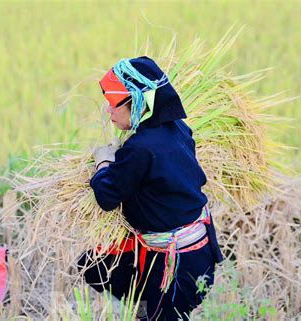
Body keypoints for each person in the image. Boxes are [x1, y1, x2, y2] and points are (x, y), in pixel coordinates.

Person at [77, 56, 224, 321]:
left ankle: (155, 311)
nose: (108, 110)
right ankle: (149, 309)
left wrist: (103, 162)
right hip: (187, 251)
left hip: (178, 264)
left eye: (113, 102)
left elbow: (106, 197)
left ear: (138, 101)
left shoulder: (140, 148)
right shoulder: (177, 128)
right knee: (94, 267)